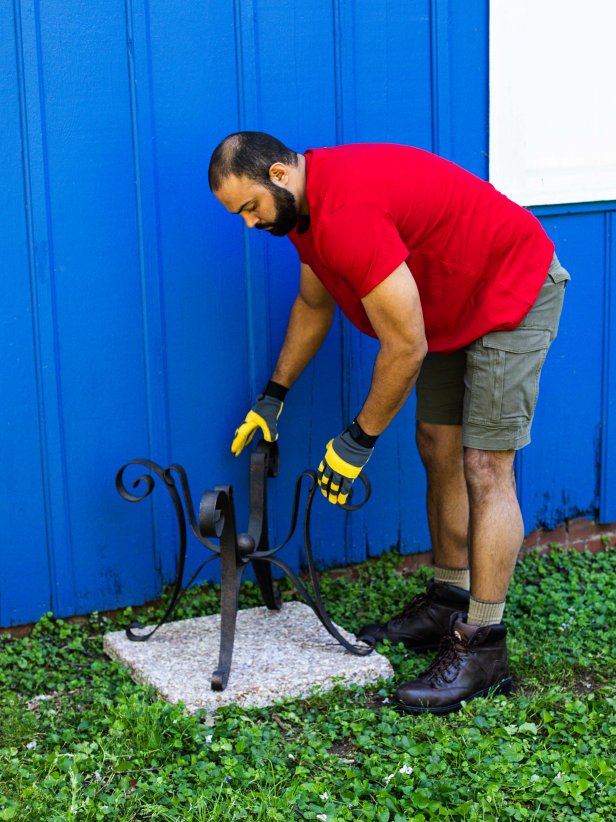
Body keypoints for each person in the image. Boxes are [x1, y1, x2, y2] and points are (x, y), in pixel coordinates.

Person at [208, 132, 569, 715]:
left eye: (249, 207)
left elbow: (405, 347)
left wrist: (357, 441)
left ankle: (484, 645)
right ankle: (451, 597)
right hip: (451, 302)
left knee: (485, 464)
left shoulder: (345, 211)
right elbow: (313, 305)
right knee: (436, 443)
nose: (249, 224)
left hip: (510, 289)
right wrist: (273, 396)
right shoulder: (305, 212)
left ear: (278, 174)